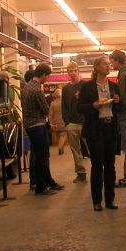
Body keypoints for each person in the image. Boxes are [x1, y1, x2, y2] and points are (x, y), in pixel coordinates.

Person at [78, 56, 121, 211]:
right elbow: (80, 107)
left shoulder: (113, 85)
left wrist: (117, 101)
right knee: (97, 166)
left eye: (109, 64)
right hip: (95, 129)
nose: (108, 66)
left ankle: (110, 200)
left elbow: (119, 108)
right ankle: (97, 201)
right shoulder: (87, 87)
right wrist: (93, 105)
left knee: (110, 166)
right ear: (96, 67)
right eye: (104, 64)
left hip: (110, 127)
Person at [23, 63, 65, 195]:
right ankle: (41, 186)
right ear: (42, 75)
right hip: (37, 126)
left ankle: (48, 182)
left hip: (30, 125)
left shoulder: (26, 87)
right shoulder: (37, 90)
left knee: (38, 156)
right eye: (47, 76)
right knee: (42, 157)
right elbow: (45, 109)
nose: (48, 79)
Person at [110, 49, 126, 188]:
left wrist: (120, 111)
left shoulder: (123, 75)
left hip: (125, 116)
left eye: (111, 61)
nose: (110, 63)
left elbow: (124, 98)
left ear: (116, 61)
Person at [61, 62, 88, 183]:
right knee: (75, 150)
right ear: (68, 73)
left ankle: (99, 171)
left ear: (78, 71)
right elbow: (64, 106)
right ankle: (80, 173)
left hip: (86, 123)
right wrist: (66, 122)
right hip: (72, 124)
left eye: (75, 71)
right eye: (70, 71)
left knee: (92, 148)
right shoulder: (66, 88)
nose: (73, 73)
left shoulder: (85, 86)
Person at [49, 88, 67, 155]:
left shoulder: (52, 103)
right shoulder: (64, 102)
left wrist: (51, 122)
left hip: (55, 122)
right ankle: (60, 147)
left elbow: (50, 114)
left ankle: (61, 150)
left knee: (58, 136)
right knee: (63, 136)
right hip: (63, 121)